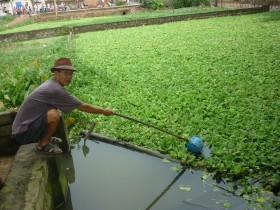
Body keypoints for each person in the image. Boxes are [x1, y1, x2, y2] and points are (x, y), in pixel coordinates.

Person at [12, 57, 113, 154]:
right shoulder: (55, 89)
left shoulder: (51, 83)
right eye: (66, 73)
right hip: (22, 133)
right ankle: (42, 144)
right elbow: (82, 106)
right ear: (56, 73)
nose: (69, 77)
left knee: (53, 111)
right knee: (54, 114)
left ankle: (45, 139)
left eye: (71, 74)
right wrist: (103, 111)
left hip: (24, 128)